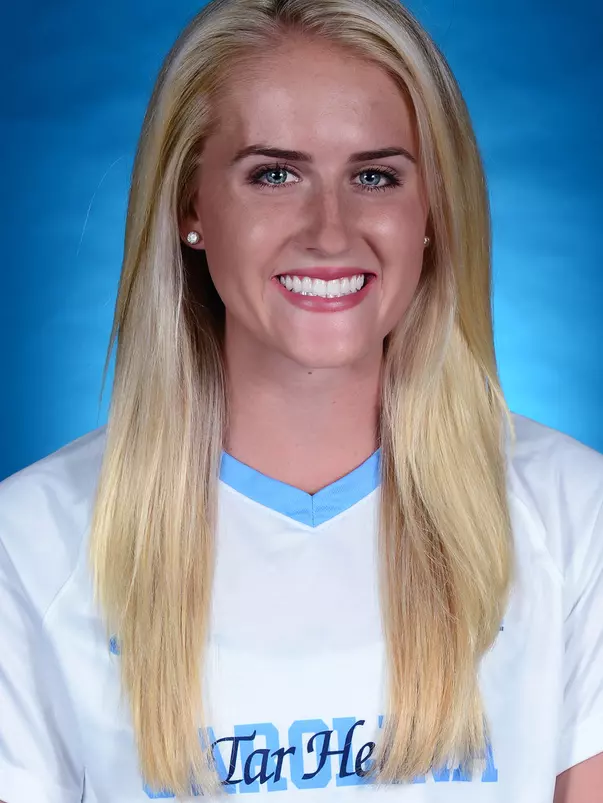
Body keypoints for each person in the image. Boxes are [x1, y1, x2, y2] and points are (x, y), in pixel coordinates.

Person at [1, 0, 602, 800]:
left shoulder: (572, 514)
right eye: (273, 175)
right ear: (191, 210)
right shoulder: (33, 541)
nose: (329, 231)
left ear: (431, 212)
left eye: (374, 176)